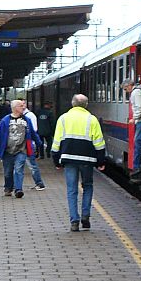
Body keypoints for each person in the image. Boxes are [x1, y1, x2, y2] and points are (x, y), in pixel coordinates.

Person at [52, 94, 106, 232]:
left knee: (72, 190)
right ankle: (86, 217)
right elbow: (99, 142)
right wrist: (101, 161)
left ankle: (74, 221)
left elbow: (56, 142)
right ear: (86, 105)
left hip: (69, 159)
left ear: (72, 104)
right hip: (87, 160)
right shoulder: (92, 119)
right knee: (87, 186)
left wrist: (56, 161)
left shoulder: (63, 119)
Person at [0, 100, 43, 198]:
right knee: (8, 172)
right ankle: (8, 188)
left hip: (21, 150)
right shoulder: (5, 120)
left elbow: (33, 133)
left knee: (19, 169)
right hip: (7, 151)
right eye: (21, 106)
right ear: (14, 108)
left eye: (23, 106)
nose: (23, 107)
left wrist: (39, 143)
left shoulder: (27, 120)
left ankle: (18, 189)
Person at [17, 100, 47, 190]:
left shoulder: (30, 116)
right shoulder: (17, 116)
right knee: (19, 166)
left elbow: (33, 130)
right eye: (19, 105)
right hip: (19, 145)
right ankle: (17, 186)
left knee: (32, 165)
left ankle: (39, 183)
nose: (21, 106)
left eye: (22, 104)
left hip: (28, 145)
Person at [121, 77, 141, 179]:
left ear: (129, 85)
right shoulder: (136, 92)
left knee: (137, 141)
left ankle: (136, 166)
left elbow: (139, 107)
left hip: (140, 121)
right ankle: (136, 165)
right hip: (139, 121)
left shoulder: (136, 93)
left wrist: (134, 118)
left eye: (125, 89)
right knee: (137, 141)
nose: (126, 91)